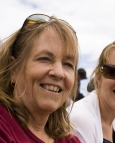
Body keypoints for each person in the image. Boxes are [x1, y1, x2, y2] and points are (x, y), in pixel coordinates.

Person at [0, 13, 81, 143]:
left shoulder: (71, 141)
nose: (59, 73)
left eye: (68, 64)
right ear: (14, 69)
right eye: (45, 59)